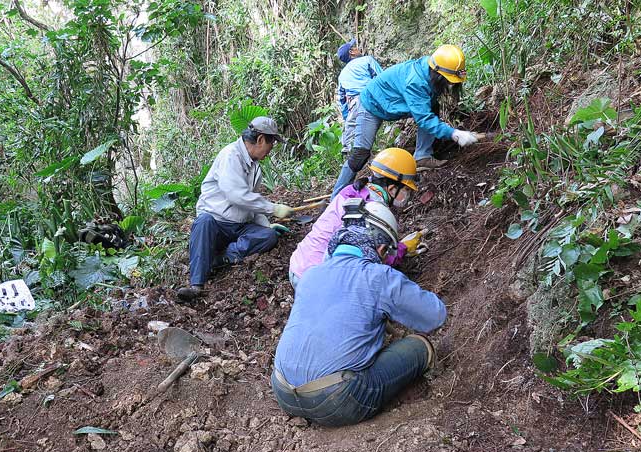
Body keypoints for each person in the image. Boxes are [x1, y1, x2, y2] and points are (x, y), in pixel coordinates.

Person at [271, 202, 447, 427]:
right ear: (382, 248)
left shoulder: (311, 274)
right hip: (337, 401)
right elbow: (435, 315)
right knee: (419, 346)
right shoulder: (378, 276)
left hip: (283, 390)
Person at [331, 44, 480, 198]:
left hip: (390, 103)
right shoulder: (416, 82)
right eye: (449, 80)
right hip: (370, 106)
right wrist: (454, 134)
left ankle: (422, 156)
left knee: (432, 107)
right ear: (439, 74)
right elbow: (423, 119)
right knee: (359, 156)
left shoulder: (431, 68)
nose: (451, 85)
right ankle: (336, 197)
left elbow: (425, 112)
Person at [177, 117, 293, 302]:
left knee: (268, 237)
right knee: (203, 223)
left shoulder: (255, 168)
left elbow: (251, 206)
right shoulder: (230, 155)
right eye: (271, 144)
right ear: (261, 139)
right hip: (216, 223)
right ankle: (196, 285)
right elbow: (237, 195)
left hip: (239, 225)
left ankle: (219, 259)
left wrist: (267, 225)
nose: (271, 150)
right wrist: (273, 208)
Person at [288, 148, 420, 287]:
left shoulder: (352, 190)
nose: (408, 195)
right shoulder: (373, 210)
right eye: (406, 190)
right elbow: (378, 259)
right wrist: (403, 248)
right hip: (315, 281)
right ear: (392, 189)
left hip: (298, 265)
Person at [336, 39, 383, 154]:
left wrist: (347, 117)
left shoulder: (342, 74)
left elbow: (342, 100)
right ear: (351, 52)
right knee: (370, 131)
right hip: (369, 98)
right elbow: (381, 78)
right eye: (355, 48)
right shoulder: (367, 60)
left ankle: (349, 154)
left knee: (352, 138)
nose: (358, 49)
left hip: (354, 104)